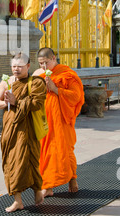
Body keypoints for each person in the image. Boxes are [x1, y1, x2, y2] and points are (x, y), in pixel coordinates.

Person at [0, 52, 47, 212]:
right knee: (12, 162)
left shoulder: (36, 82)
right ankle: (18, 200)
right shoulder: (6, 82)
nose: (16, 69)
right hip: (10, 128)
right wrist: (6, 103)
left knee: (29, 160)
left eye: (20, 66)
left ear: (28, 66)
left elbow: (37, 103)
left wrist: (17, 102)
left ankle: (37, 189)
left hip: (27, 128)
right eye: (14, 66)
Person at [33, 47, 84, 198]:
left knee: (65, 150)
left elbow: (76, 96)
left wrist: (55, 89)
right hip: (45, 120)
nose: (43, 67)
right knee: (45, 152)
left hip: (62, 119)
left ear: (54, 58)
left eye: (46, 63)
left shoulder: (67, 75)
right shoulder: (41, 75)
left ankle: (72, 179)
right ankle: (48, 186)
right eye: (40, 63)